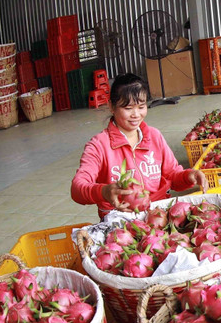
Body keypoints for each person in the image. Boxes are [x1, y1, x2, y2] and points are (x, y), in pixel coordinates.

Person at [71, 74, 208, 218]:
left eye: (141, 107)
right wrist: (103, 191)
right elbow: (77, 188)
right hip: (120, 220)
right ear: (111, 106)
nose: (136, 114)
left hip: (159, 215)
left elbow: (172, 176)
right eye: (128, 108)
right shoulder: (99, 145)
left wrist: (189, 176)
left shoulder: (154, 136)